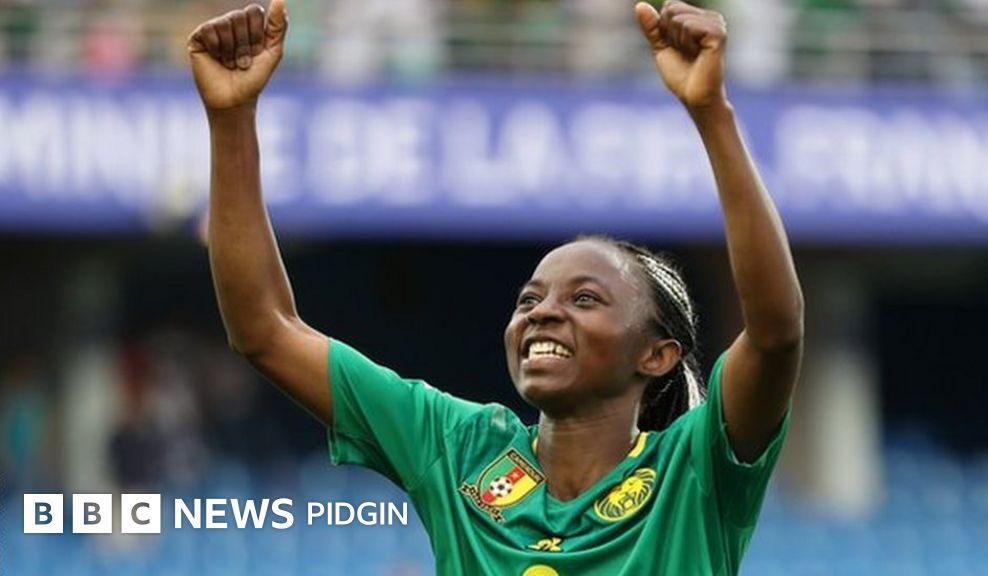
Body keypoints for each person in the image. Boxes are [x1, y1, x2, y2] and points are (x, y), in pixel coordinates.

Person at [186, 1, 803, 574]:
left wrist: (711, 112)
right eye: (529, 300)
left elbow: (776, 332)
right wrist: (231, 117)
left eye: (584, 299)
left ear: (657, 355)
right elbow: (265, 330)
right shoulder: (458, 449)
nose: (542, 313)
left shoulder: (695, 471)